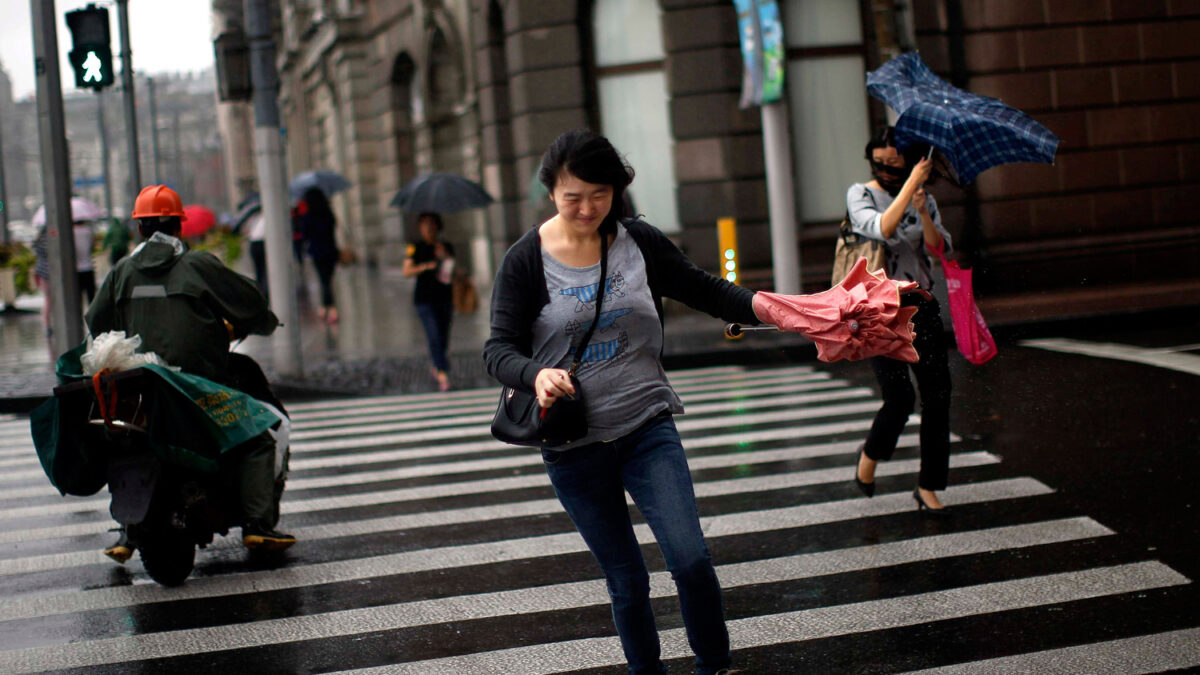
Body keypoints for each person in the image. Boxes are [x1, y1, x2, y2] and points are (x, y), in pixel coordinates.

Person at [484, 129, 778, 675]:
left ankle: (715, 665)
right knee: (627, 579)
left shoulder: (637, 240)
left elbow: (702, 287)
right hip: (574, 443)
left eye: (600, 194)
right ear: (551, 191)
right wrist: (537, 374)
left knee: (690, 560)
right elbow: (497, 350)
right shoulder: (525, 261)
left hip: (647, 426)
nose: (588, 207)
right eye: (573, 196)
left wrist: (770, 306)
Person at [85, 185, 296, 560]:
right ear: (179, 226)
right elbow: (248, 302)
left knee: (132, 445)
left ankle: (127, 532)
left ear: (139, 229)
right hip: (199, 391)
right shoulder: (198, 265)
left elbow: (98, 320)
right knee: (260, 435)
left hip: (142, 390)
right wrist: (257, 321)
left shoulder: (122, 272)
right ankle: (257, 525)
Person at [847, 126, 954, 514]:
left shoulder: (922, 197)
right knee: (899, 399)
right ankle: (869, 457)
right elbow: (882, 228)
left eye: (898, 162)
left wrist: (924, 210)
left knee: (938, 396)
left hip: (920, 305)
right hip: (878, 312)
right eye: (883, 163)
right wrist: (910, 183)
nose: (890, 169)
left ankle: (929, 486)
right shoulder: (860, 194)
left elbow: (937, 247)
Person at [404, 212, 455, 391]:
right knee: (433, 333)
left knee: (443, 335)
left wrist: (444, 256)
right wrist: (425, 266)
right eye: (425, 224)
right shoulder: (415, 247)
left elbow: (452, 271)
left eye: (432, 224)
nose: (428, 228)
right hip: (424, 300)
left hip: (445, 297)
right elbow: (407, 271)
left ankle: (437, 362)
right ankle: (442, 372)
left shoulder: (445, 246)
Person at [296, 188, 340, 324]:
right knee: (328, 280)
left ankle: (327, 308)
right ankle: (328, 308)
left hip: (316, 252)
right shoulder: (328, 213)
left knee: (323, 280)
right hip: (331, 251)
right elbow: (333, 228)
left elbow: (304, 234)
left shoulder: (308, 216)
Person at [73, 220, 96, 305]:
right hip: (89, 267)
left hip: (77, 268)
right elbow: (92, 246)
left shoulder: (72, 233)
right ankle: (92, 317)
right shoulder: (88, 231)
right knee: (91, 296)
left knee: (78, 297)